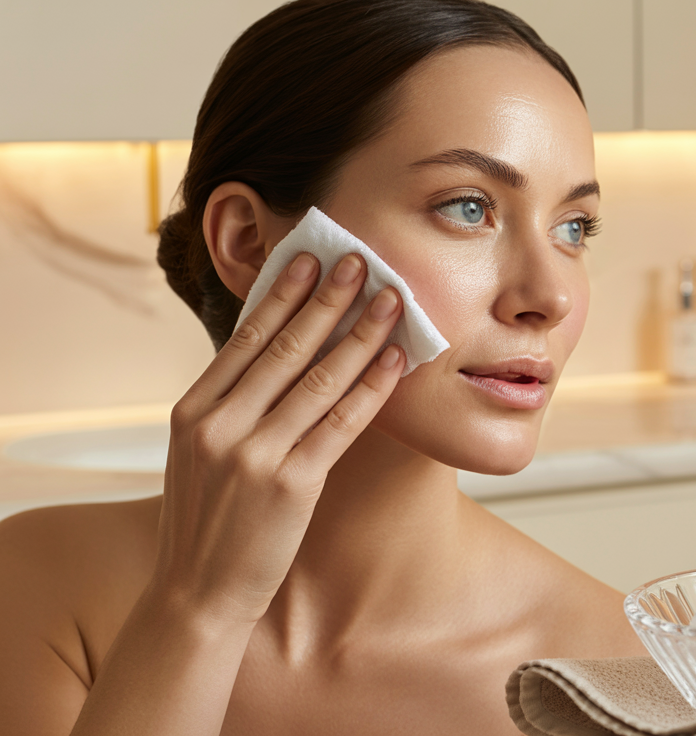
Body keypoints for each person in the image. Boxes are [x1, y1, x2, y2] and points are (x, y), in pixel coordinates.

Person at [0, 1, 646, 733]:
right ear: (248, 242)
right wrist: (198, 609)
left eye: (573, 228)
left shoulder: (618, 678)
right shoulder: (36, 586)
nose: (550, 296)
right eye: (468, 208)